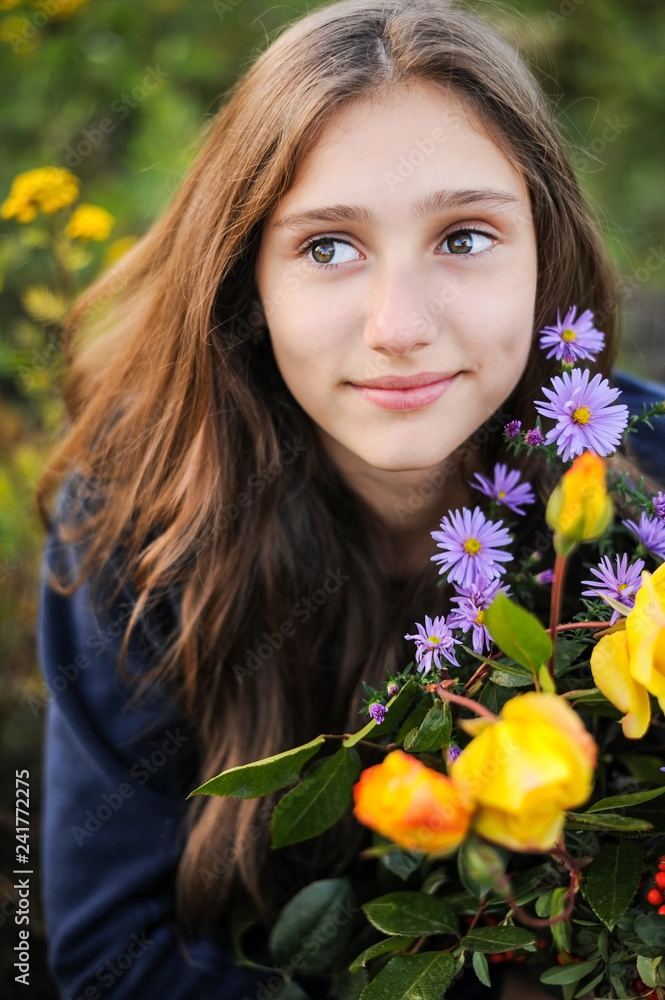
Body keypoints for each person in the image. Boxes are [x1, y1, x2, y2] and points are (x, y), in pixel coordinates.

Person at [36, 0, 665, 997]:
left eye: (464, 236)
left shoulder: (644, 485)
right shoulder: (142, 520)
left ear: (543, 254)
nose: (396, 327)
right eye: (328, 247)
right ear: (245, 277)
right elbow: (114, 960)